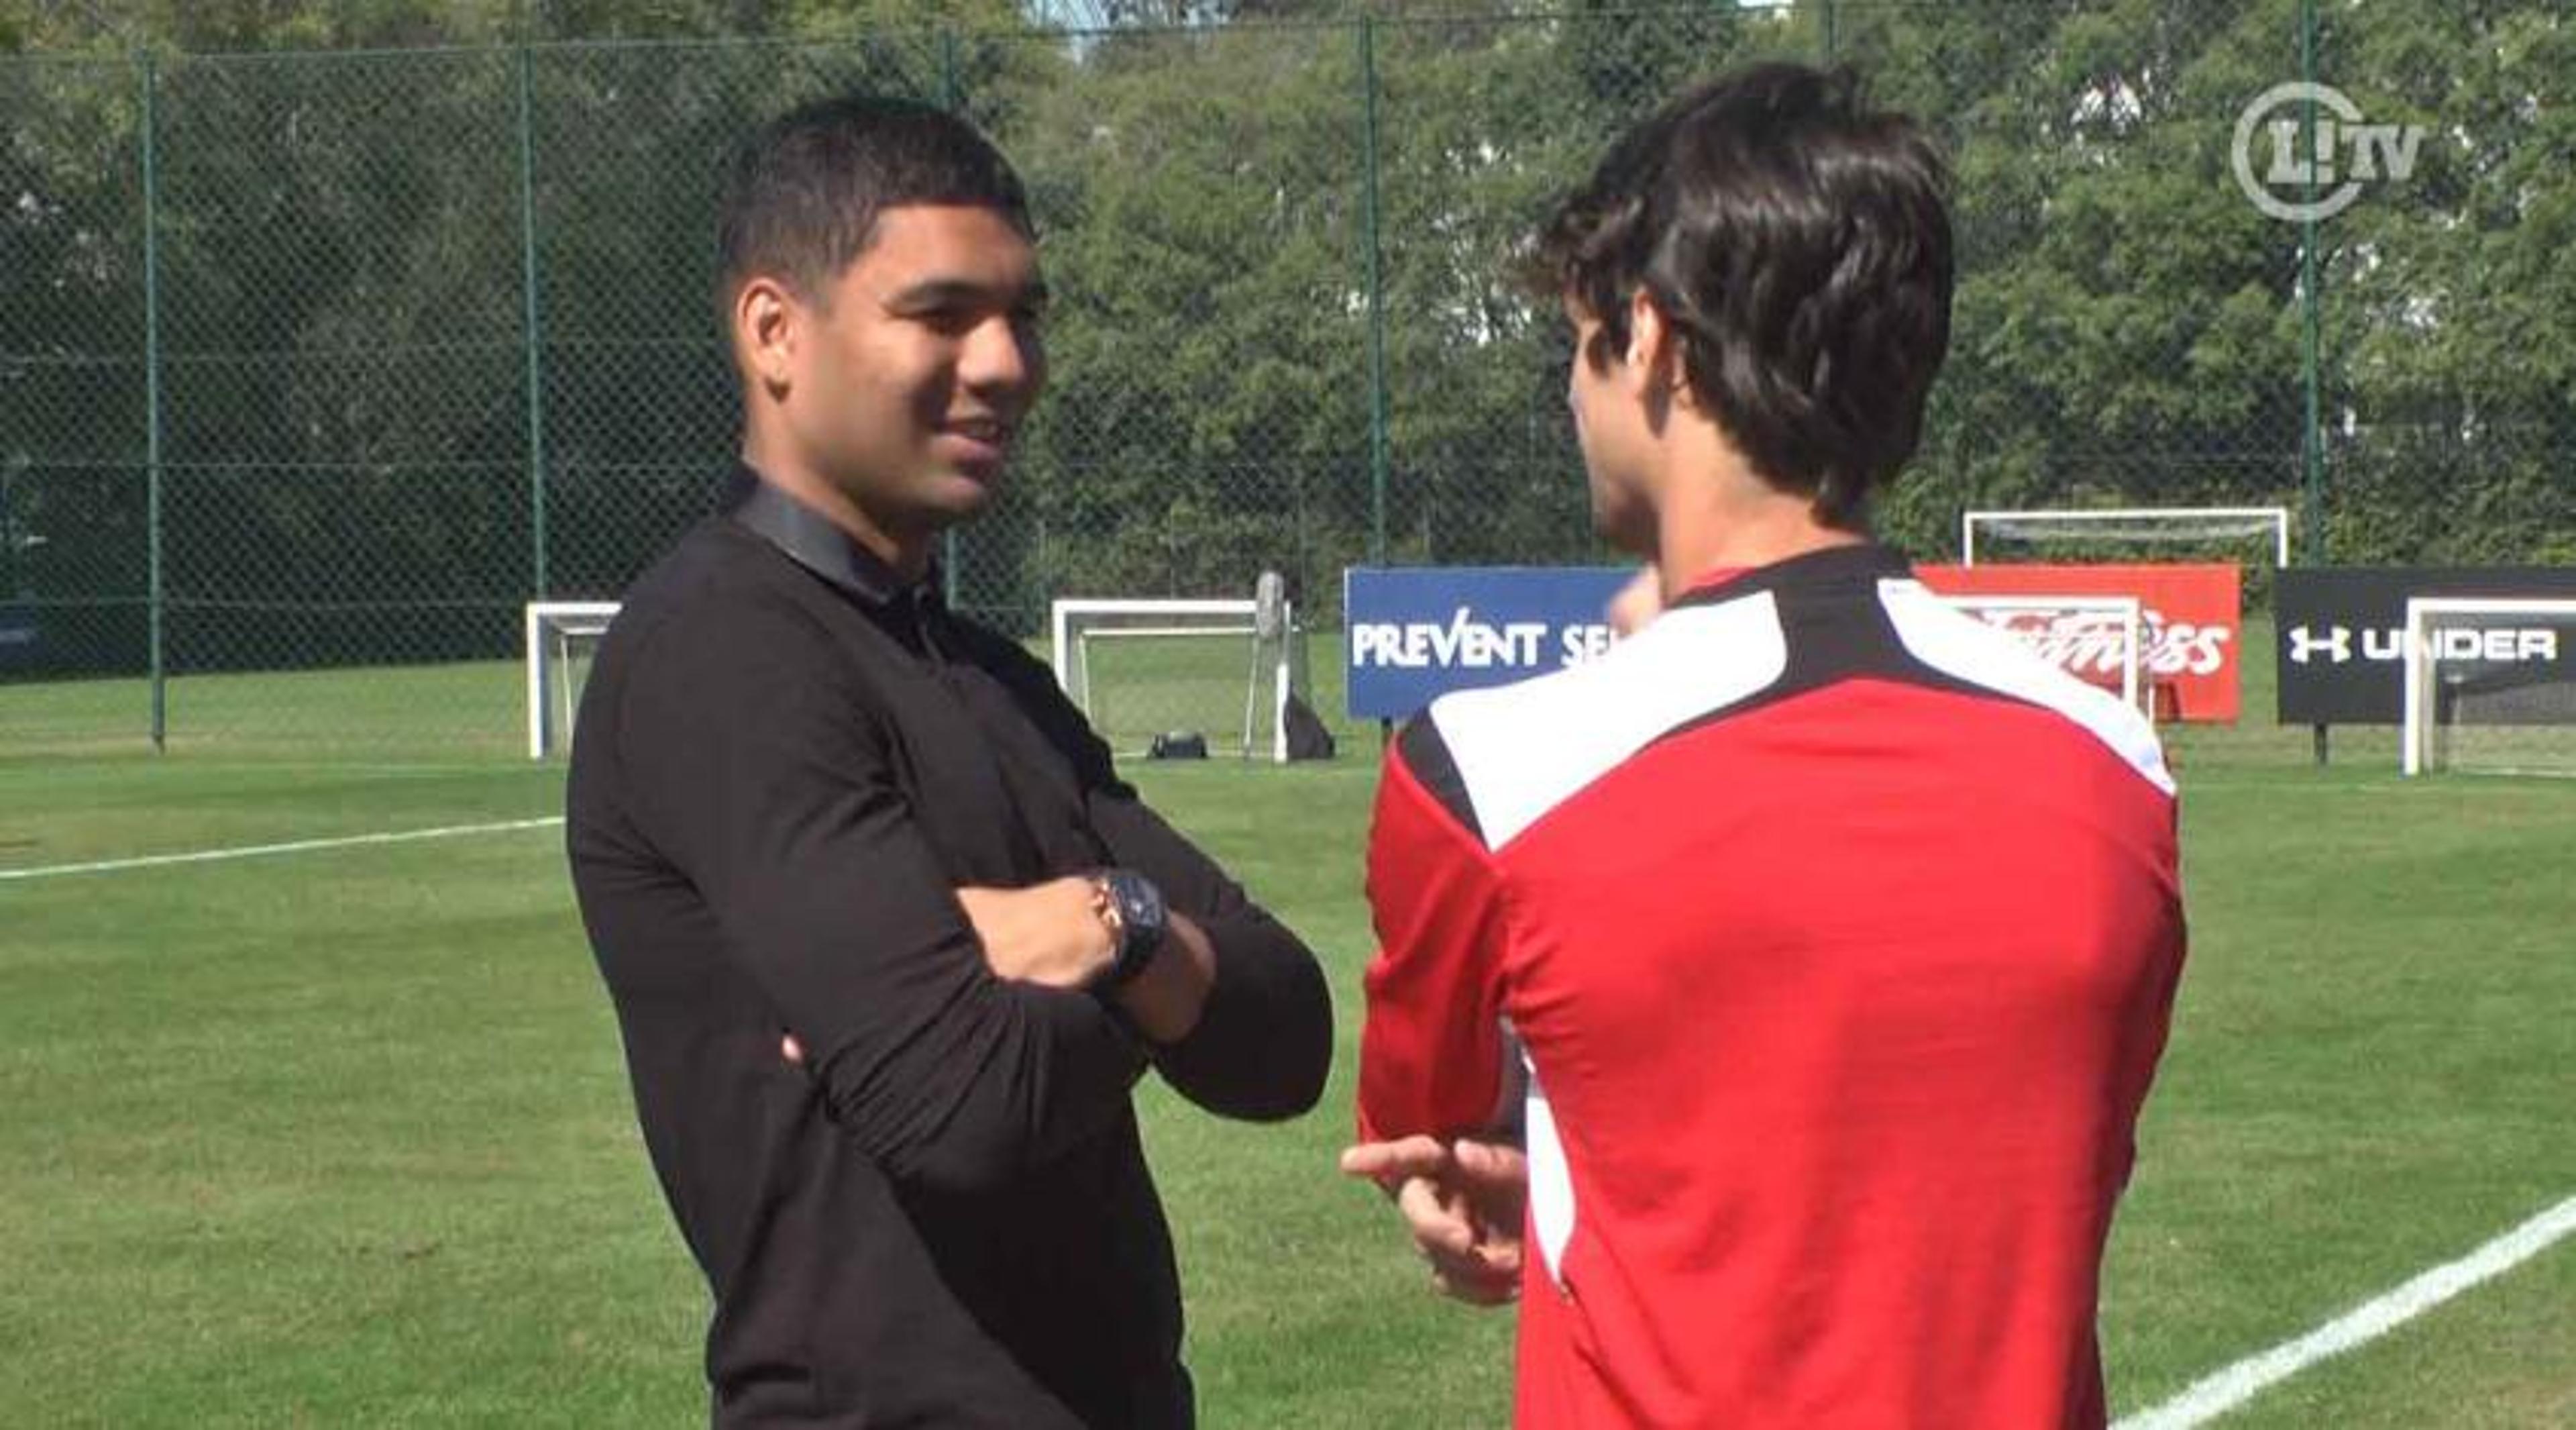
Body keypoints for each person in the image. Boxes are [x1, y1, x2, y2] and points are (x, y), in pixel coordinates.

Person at [1340, 62, 2186, 1429]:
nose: (1572, 396)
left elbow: (1426, 1128)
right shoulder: (2116, 761)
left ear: (1655, 344)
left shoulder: (1486, 771)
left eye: (1579, 344)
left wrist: (1492, 1163)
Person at [565, 95, 1332, 1429]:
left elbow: (1287, 1037)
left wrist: (1110, 924)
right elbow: (962, 1103)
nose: (1005, 363)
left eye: (1024, 314)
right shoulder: (721, 653)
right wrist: (1154, 986)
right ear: (774, 333)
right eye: (940, 314)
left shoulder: (993, 682)